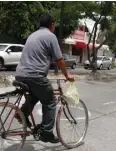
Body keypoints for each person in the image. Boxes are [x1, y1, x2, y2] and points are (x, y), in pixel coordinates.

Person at [15, 13, 74, 143]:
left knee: (37, 94)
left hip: (20, 75)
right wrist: (67, 75)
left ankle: (22, 113)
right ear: (52, 26)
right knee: (51, 101)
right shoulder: (50, 36)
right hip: (35, 76)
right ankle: (46, 133)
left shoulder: (32, 35)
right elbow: (59, 59)